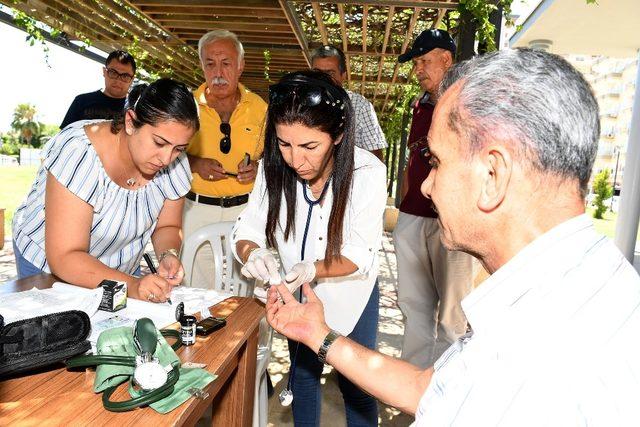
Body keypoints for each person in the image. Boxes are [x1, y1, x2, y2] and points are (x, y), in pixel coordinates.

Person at [264, 48, 640, 425]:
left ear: (493, 174)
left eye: (437, 161)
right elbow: (431, 389)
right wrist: (320, 335)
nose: (426, 186)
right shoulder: (567, 285)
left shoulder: (547, 358)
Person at [232, 71, 387, 426]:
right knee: (302, 378)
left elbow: (359, 254)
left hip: (351, 292)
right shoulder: (273, 168)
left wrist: (312, 269)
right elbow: (248, 227)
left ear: (339, 136)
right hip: (295, 294)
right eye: (284, 144)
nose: (294, 160)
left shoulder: (367, 172)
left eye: (309, 147)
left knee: (357, 383)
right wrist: (252, 253)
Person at [13, 78, 199, 303]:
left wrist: (168, 254)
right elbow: (65, 257)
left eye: (179, 148)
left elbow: (168, 226)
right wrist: (131, 285)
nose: (167, 158)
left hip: (117, 270)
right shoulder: (79, 152)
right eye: (159, 143)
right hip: (47, 265)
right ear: (130, 122)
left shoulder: (175, 162)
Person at [393, 29, 476, 368]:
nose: (418, 70)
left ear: (446, 59)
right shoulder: (420, 104)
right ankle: (412, 391)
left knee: (454, 316)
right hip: (413, 215)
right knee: (413, 307)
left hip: (453, 218)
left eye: (425, 61)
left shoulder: (471, 103)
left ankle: (448, 397)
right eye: (415, 64)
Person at [183, 29, 267, 288]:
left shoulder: (260, 108)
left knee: (243, 289)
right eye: (210, 63)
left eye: (226, 63)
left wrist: (258, 169)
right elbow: (163, 157)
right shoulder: (187, 105)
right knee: (193, 288)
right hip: (196, 211)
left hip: (245, 213)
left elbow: (276, 158)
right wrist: (195, 163)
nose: (218, 72)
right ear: (202, 66)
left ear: (240, 66)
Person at [311, 45, 388, 161]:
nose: (323, 79)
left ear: (343, 76)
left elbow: (375, 156)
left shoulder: (360, 106)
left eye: (330, 73)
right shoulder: (299, 103)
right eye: (317, 73)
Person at [60, 50, 137, 129]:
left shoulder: (135, 110)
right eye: (113, 73)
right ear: (104, 72)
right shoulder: (82, 101)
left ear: (132, 79)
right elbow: (63, 137)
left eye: (125, 76)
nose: (118, 80)